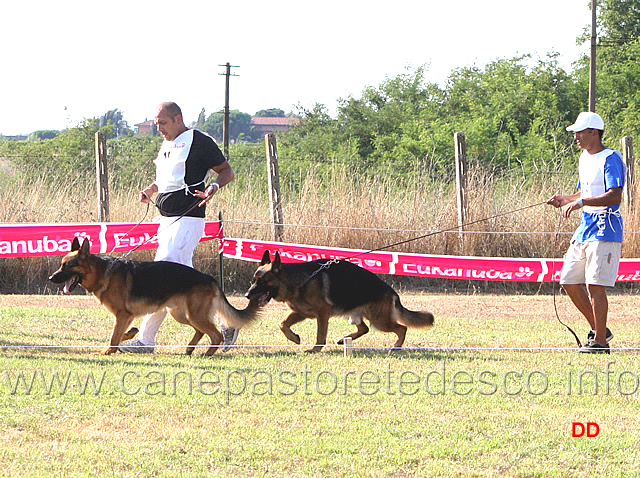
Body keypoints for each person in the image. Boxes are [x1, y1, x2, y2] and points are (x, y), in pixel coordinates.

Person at [119, 102, 240, 353]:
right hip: (166, 219)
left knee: (162, 277)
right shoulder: (167, 143)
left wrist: (214, 187)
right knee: (187, 279)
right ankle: (226, 323)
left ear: (178, 118)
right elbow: (166, 177)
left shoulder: (199, 141)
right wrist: (152, 189)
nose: (159, 129)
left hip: (187, 219)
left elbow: (226, 170)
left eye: (163, 123)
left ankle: (145, 340)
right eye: (156, 124)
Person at [547, 112, 626, 354]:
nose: (576, 137)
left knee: (595, 285)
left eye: (580, 132)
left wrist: (580, 204)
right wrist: (565, 199)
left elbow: (615, 195)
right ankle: (599, 329)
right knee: (569, 280)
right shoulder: (584, 158)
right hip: (585, 228)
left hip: (606, 228)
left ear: (594, 133)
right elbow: (583, 193)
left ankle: (600, 343)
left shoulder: (611, 158)